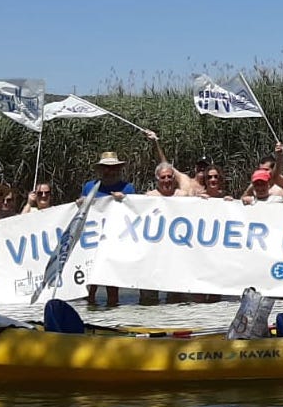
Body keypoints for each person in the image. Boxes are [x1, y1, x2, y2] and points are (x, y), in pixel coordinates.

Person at [81, 152, 136, 306]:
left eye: (113, 168)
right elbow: (81, 212)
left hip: (115, 240)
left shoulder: (127, 188)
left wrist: (125, 199)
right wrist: (80, 202)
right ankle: (89, 314)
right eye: (106, 168)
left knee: (112, 283)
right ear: (101, 170)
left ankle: (113, 315)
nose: (110, 171)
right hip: (93, 241)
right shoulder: (90, 187)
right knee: (90, 284)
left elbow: (136, 210)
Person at [147, 130, 209, 196]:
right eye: (200, 166)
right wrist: (155, 142)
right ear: (195, 168)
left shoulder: (213, 186)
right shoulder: (185, 180)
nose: (202, 168)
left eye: (205, 166)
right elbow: (165, 165)